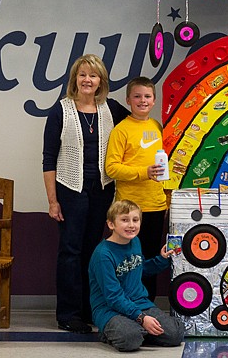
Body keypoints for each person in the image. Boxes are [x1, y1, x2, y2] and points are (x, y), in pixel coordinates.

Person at [42, 54, 129, 333]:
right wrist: (53, 201)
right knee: (70, 251)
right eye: (82, 75)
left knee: (94, 252)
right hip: (71, 189)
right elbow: (48, 159)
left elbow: (136, 129)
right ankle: (68, 313)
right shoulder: (61, 111)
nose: (87, 80)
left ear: (101, 81)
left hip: (102, 190)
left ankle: (91, 308)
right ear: (75, 79)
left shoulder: (112, 109)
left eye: (93, 75)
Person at [89, 199, 184, 351]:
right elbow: (113, 296)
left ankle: (137, 329)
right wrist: (141, 318)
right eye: (124, 220)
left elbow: (140, 268)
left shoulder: (135, 242)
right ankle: (117, 331)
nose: (131, 225)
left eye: (135, 220)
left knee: (175, 334)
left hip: (139, 304)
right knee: (130, 339)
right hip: (109, 309)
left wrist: (161, 259)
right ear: (111, 224)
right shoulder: (103, 255)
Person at [105, 77, 168, 301]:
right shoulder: (121, 130)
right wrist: (144, 172)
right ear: (128, 100)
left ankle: (147, 307)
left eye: (147, 96)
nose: (143, 101)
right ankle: (126, 307)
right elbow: (111, 168)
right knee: (128, 261)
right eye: (137, 96)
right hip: (129, 209)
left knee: (150, 260)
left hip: (156, 205)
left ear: (153, 100)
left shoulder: (158, 127)